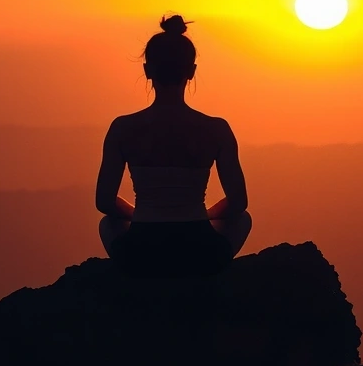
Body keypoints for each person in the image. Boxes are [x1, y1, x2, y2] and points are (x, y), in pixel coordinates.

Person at [96, 14, 252, 277]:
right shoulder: (216, 129)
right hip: (200, 249)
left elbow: (104, 202)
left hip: (141, 248)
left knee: (108, 224)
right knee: (242, 221)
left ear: (147, 70)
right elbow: (238, 203)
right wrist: (205, 215)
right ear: (191, 71)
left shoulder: (122, 128)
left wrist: (140, 215)